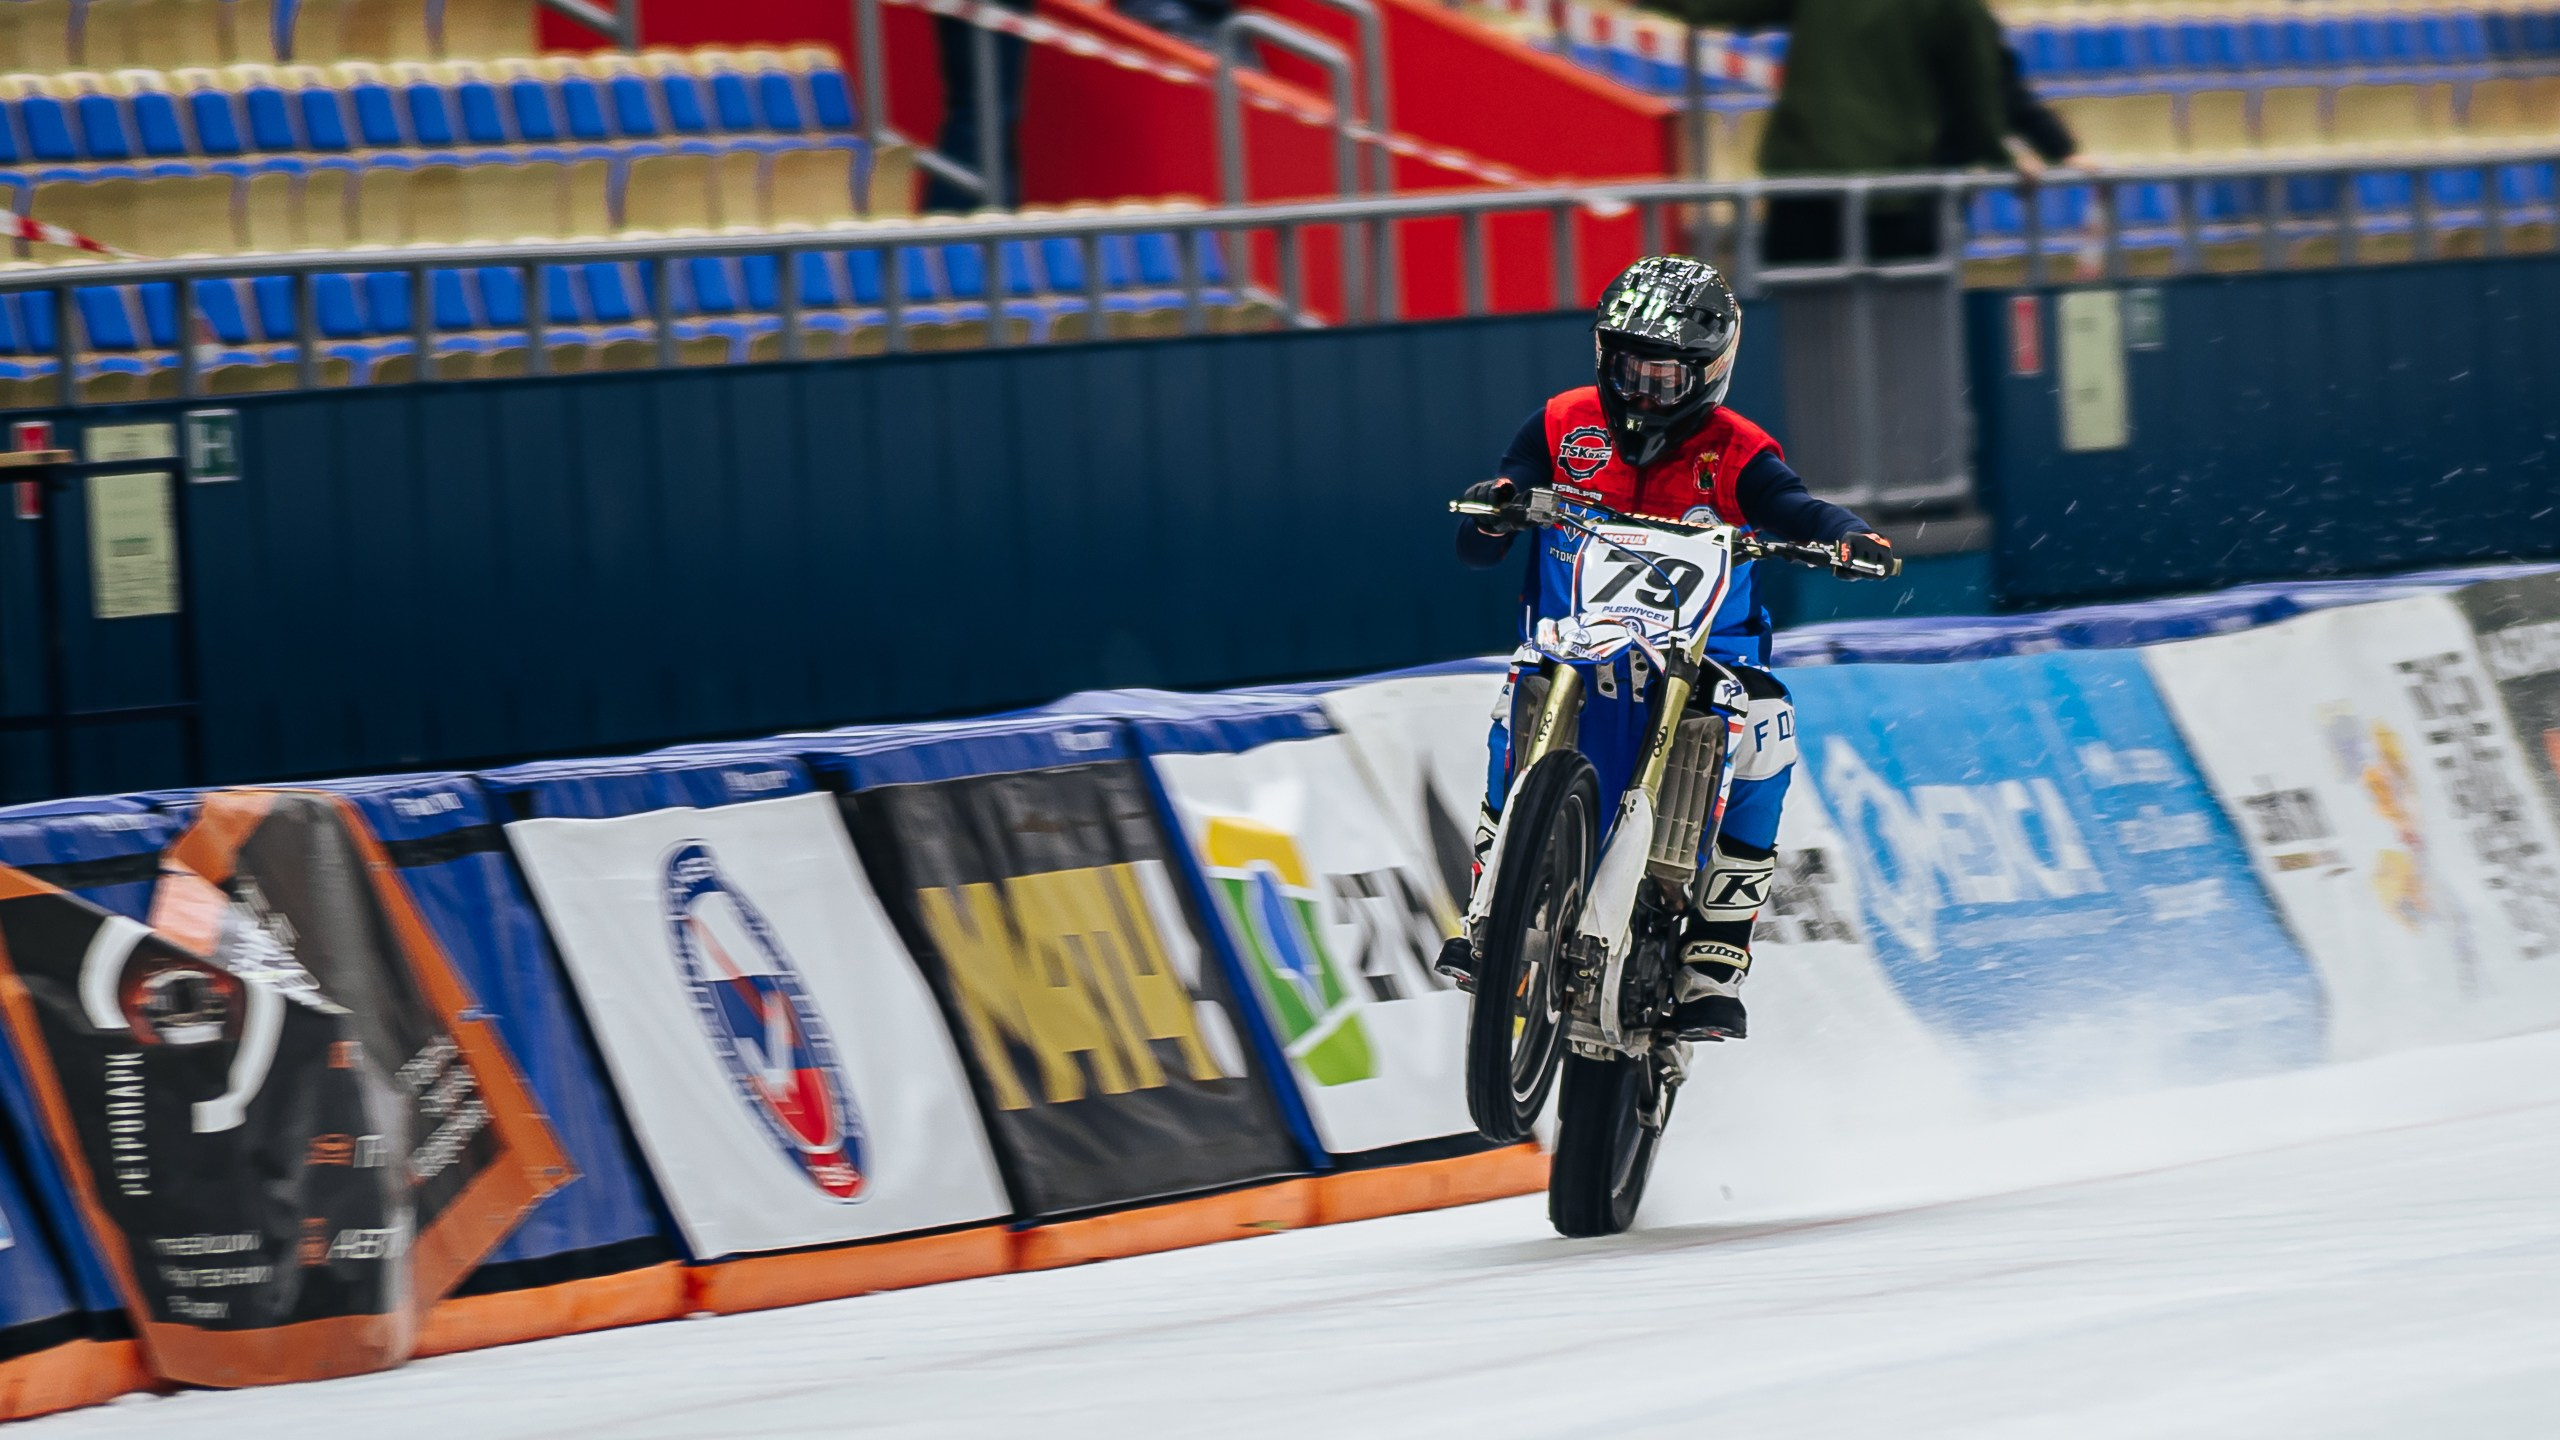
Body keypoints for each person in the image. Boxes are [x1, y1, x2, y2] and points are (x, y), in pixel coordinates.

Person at [1436, 255, 1893, 1041]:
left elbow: (1795, 508)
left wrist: (1847, 537)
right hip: (1577, 640)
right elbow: (1483, 536)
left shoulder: (1739, 449)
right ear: (1603, 356)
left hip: (1709, 654)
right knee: (1513, 699)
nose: (1643, 390)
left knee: (1768, 728)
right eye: (1628, 367)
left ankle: (1717, 951)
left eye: (1665, 376)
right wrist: (1496, 509)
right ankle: (1489, 911)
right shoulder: (1558, 423)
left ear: (1709, 373)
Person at [1639, 0, 2037, 263]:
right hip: (1894, 190)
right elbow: (1979, 94)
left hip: (1804, 179)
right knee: (1902, 335)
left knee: (1798, 333)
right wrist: (2005, 157)